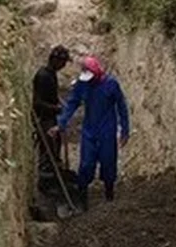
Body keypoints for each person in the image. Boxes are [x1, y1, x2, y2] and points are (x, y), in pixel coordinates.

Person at [50, 55, 130, 210]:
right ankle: (82, 197)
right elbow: (72, 104)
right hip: (89, 131)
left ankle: (109, 193)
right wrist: (61, 124)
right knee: (86, 164)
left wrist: (125, 130)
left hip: (107, 130)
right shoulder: (82, 85)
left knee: (108, 163)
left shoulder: (111, 85)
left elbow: (122, 107)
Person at [32, 45, 70, 179]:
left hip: (51, 117)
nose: (64, 65)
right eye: (63, 62)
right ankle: (46, 180)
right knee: (48, 149)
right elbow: (37, 102)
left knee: (55, 145)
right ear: (55, 60)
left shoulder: (51, 74)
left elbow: (51, 95)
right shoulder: (43, 76)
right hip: (43, 119)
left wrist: (59, 102)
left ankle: (55, 174)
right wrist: (56, 108)